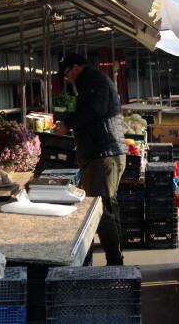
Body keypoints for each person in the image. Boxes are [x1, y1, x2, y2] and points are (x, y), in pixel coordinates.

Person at [54, 53, 127, 266]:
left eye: (66, 74)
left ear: (75, 68)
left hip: (103, 153)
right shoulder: (92, 81)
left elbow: (94, 110)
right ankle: (115, 257)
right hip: (101, 153)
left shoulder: (95, 81)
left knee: (102, 208)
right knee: (106, 206)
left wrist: (68, 123)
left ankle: (114, 260)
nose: (67, 79)